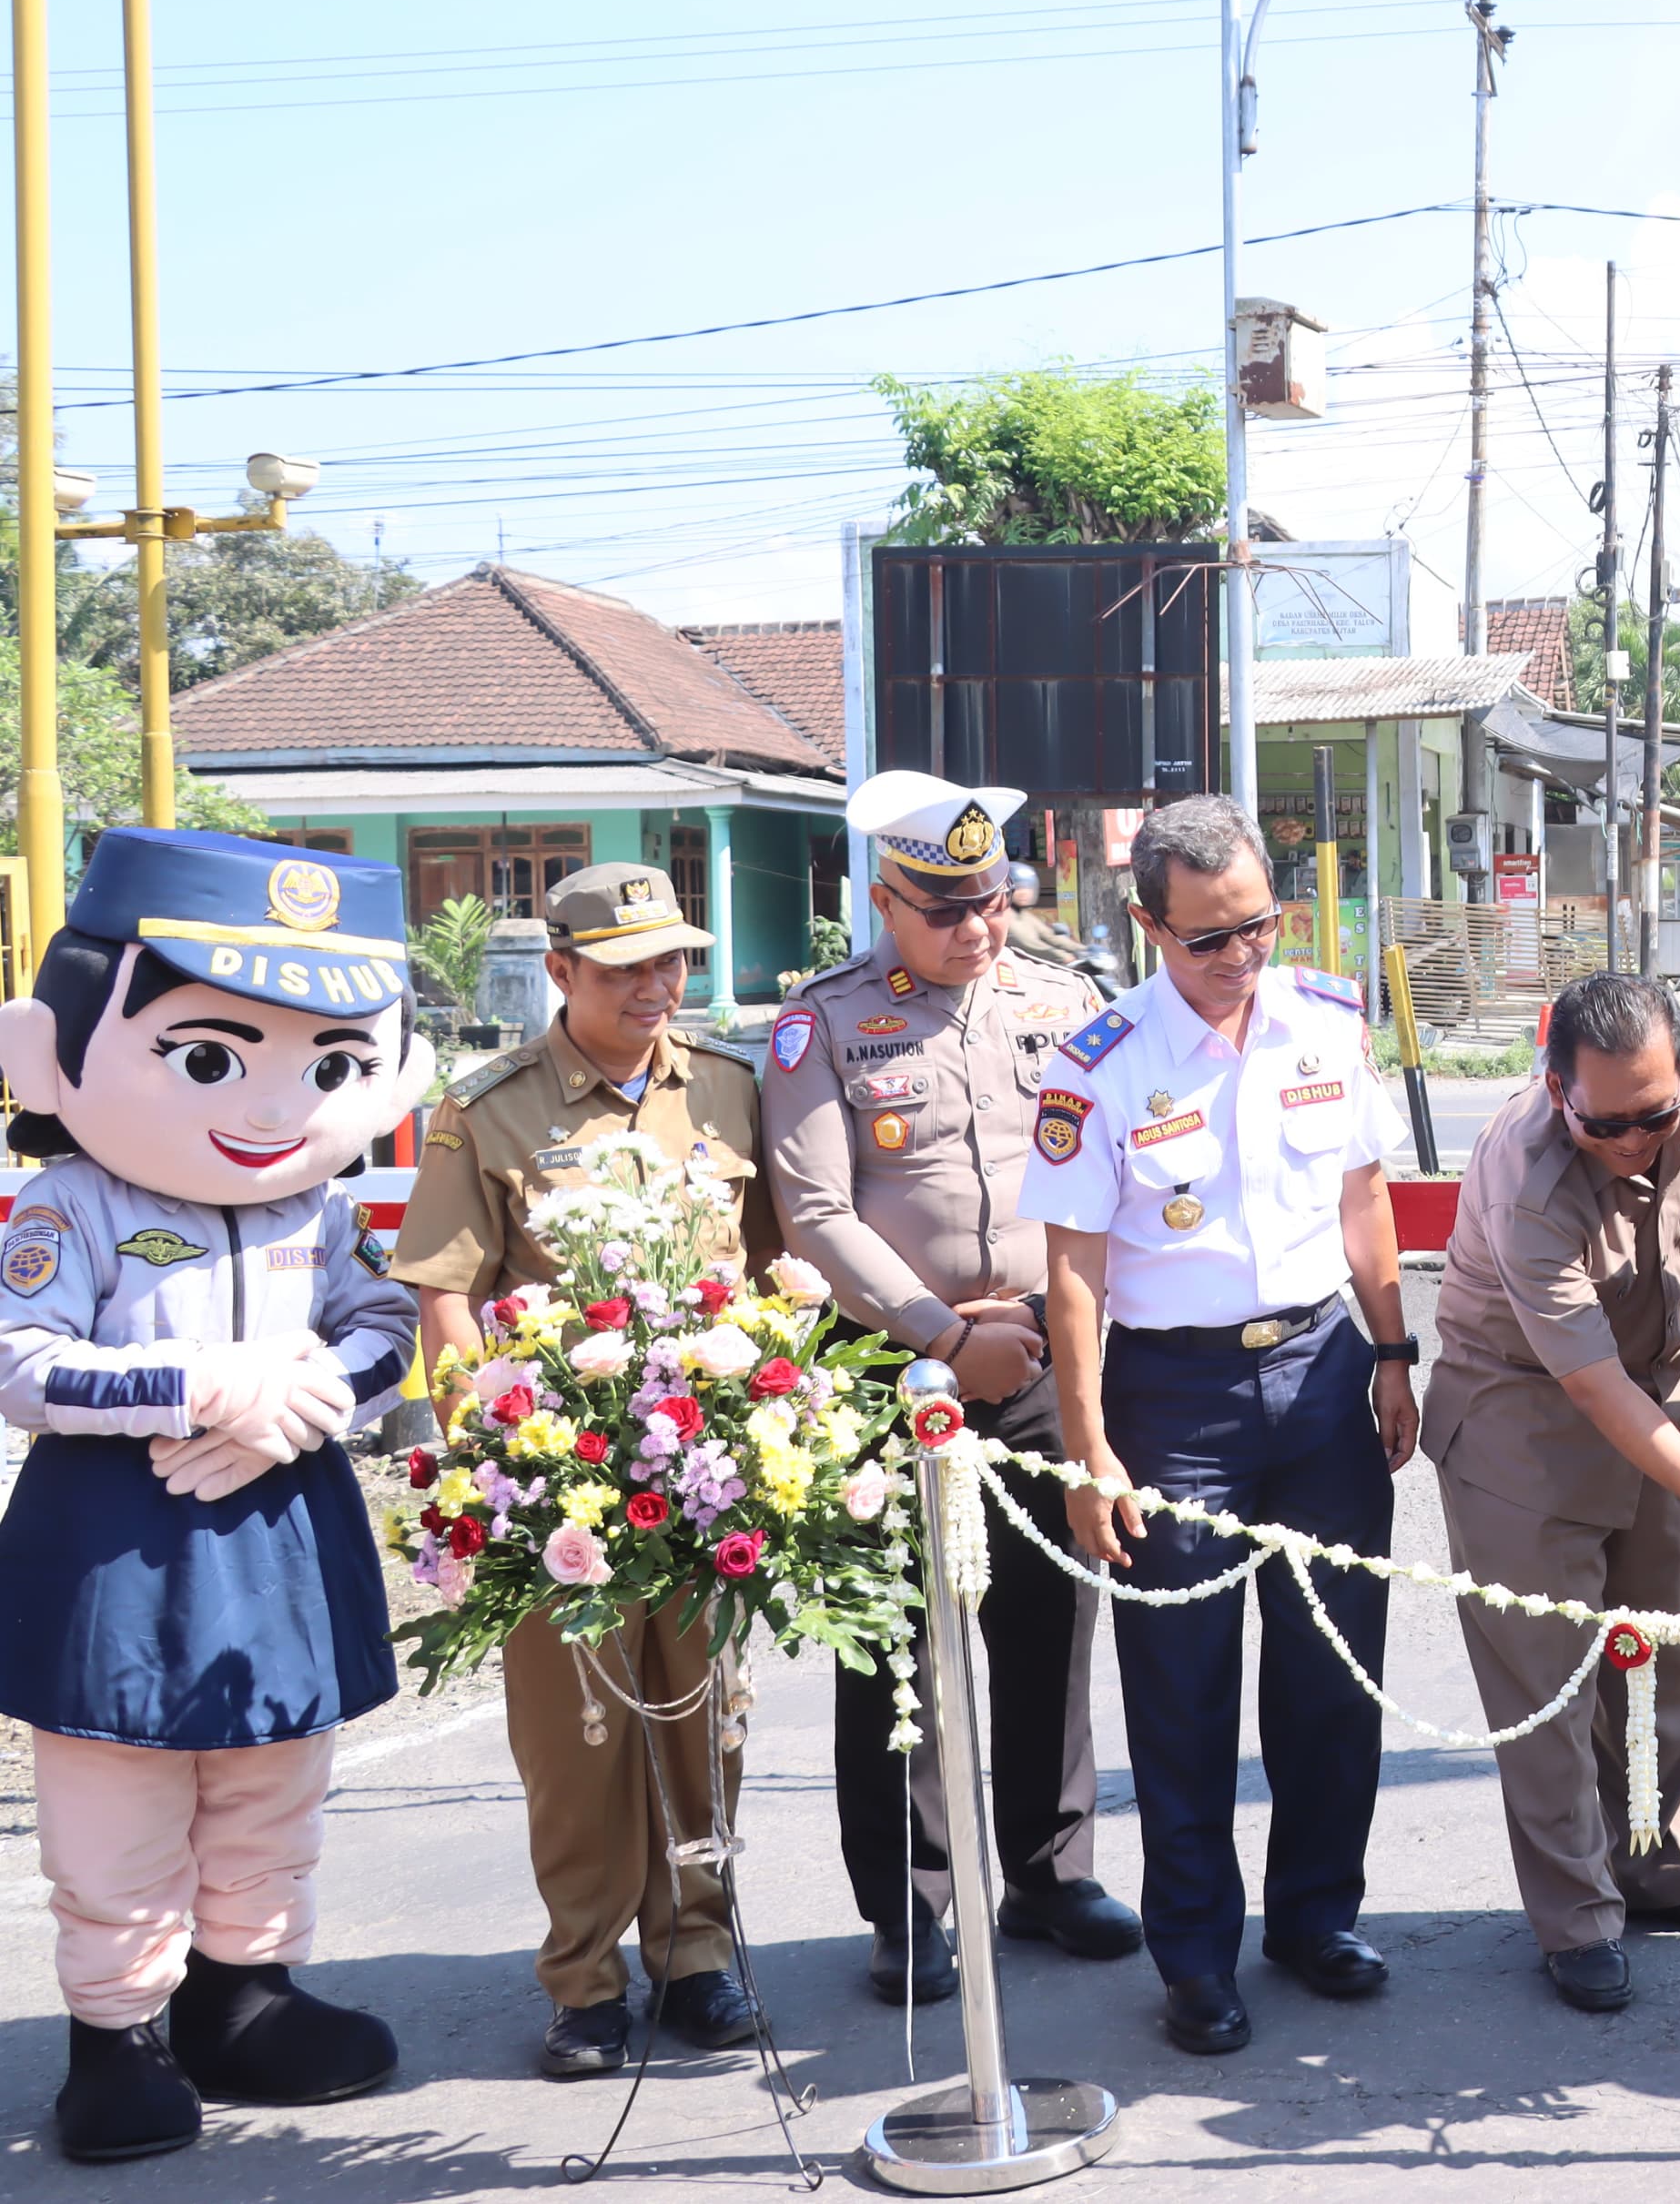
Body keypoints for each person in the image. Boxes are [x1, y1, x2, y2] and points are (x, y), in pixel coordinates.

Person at [0, 832, 437, 2161]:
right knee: (118, 1791)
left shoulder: (326, 1211)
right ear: (57, 1046)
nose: (266, 1104)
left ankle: (243, 1994)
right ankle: (115, 2034)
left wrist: (293, 1405)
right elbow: (21, 1362)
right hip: (113, 1545)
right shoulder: (66, 1203)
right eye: (207, 1055)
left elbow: (383, 1329)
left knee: (270, 1771)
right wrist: (206, 1390)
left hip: (279, 1526)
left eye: (328, 1065)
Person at [1017, 794, 1418, 2057]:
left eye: (1258, 926)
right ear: (1149, 927)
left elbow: (1364, 1199)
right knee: (1182, 1695)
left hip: (1321, 1377)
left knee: (1331, 1674)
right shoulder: (1096, 1066)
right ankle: (1195, 1955)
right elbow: (1072, 1274)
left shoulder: (1329, 1019)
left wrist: (1395, 1350)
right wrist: (1091, 1453)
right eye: (1210, 939)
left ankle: (1316, 1916)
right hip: (1171, 1400)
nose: (1242, 957)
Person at [390, 864, 775, 2078]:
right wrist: (489, 1455)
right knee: (579, 1741)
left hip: (705, 1472)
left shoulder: (725, 1091)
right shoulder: (486, 1107)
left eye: (673, 963)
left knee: (707, 1725)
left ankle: (699, 1953)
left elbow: (771, 1279)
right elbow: (447, 1293)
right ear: (559, 972)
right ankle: (585, 1979)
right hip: (562, 1482)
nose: (658, 987)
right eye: (625, 970)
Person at [766, 771, 1140, 2007]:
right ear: (884, 900)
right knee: (896, 1649)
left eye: (989, 902)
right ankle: (909, 1906)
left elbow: (1112, 1167)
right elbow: (817, 1211)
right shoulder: (821, 1025)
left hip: (1039, 1348)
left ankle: (1047, 1871)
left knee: (1048, 1622)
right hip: (889, 1365)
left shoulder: (1061, 1000)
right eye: (945, 909)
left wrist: (1035, 1324)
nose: (975, 929)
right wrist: (936, 1328)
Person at [1422, 973, 1680, 2014]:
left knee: (1665, 1654)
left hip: (1659, 1395)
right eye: (1608, 1124)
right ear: (1555, 1090)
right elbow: (1588, 1384)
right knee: (1548, 1684)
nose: (1637, 1139)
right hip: (1523, 1419)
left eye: (1655, 1115)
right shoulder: (1526, 1176)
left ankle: (1658, 1868)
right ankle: (1577, 1916)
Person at [1007, 861, 1072, 966]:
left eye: (1028, 887)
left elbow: (1049, 935)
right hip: (1017, 970)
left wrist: (1083, 950)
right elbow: (1029, 944)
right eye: (1019, 887)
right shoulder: (1006, 916)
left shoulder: (1025, 915)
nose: (1025, 892)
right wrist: (1063, 956)